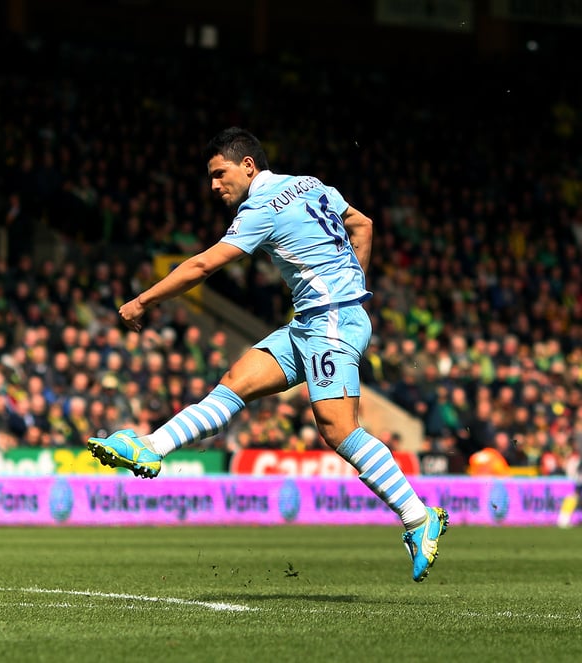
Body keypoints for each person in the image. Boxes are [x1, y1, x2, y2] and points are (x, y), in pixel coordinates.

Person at [88, 127, 448, 583]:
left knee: (338, 430)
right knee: (234, 382)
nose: (215, 185)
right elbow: (363, 225)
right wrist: (352, 284)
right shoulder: (312, 183)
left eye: (220, 174)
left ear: (248, 166)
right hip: (313, 321)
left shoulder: (260, 207)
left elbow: (202, 265)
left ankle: (419, 518)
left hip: (330, 321)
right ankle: (149, 446)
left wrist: (142, 302)